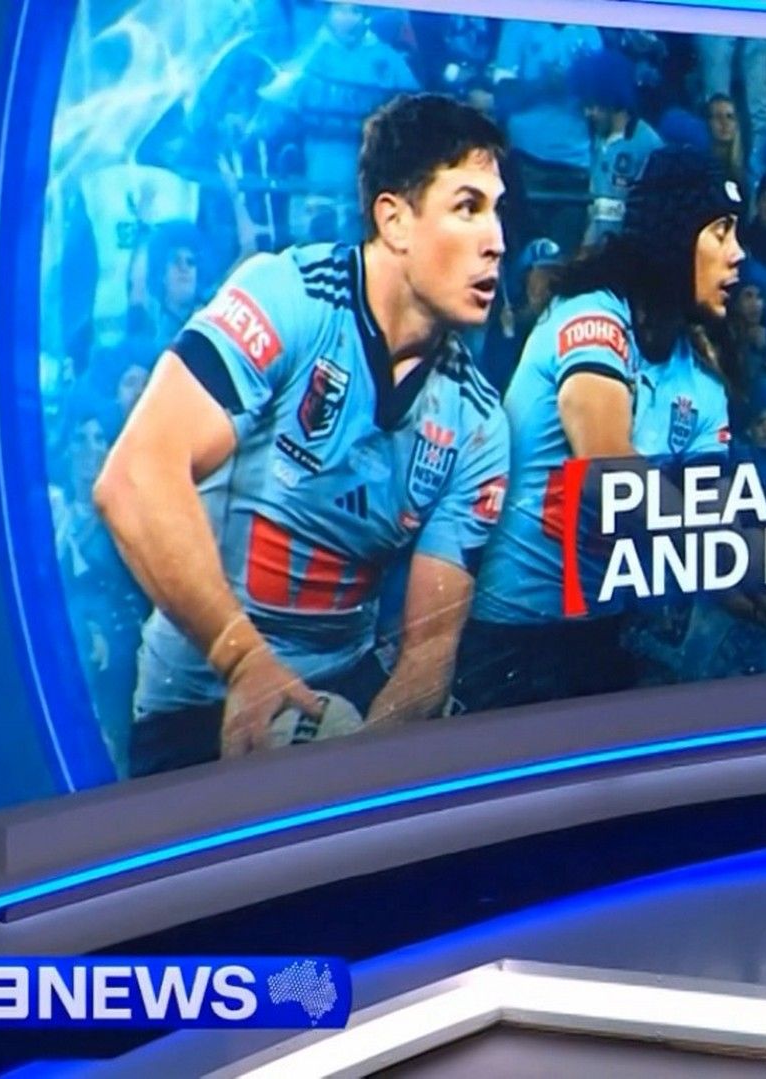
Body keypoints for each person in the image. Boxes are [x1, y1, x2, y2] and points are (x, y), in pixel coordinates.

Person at [94, 94, 511, 777]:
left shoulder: (478, 424)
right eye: (467, 207)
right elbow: (133, 478)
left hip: (340, 707)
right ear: (394, 220)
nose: (496, 239)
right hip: (199, 702)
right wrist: (243, 662)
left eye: (497, 210)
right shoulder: (288, 297)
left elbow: (429, 653)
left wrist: (356, 772)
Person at [456, 146, 744, 710]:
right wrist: (744, 550)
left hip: (609, 631)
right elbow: (607, 470)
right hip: (514, 640)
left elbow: (712, 515)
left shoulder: (701, 379)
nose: (738, 254)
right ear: (673, 237)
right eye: (721, 231)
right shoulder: (591, 315)